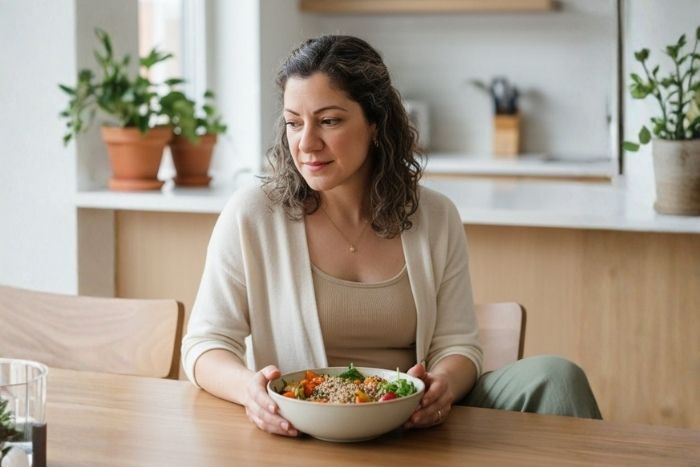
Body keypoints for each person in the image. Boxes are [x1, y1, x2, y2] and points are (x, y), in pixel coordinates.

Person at [181, 35, 601, 438]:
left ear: (376, 124)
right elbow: (205, 345)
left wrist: (442, 387)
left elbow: (459, 345)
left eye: (328, 121)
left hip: (413, 421)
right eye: (294, 123)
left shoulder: (435, 216)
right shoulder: (253, 214)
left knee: (559, 377)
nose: (306, 143)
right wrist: (251, 392)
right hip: (305, 425)